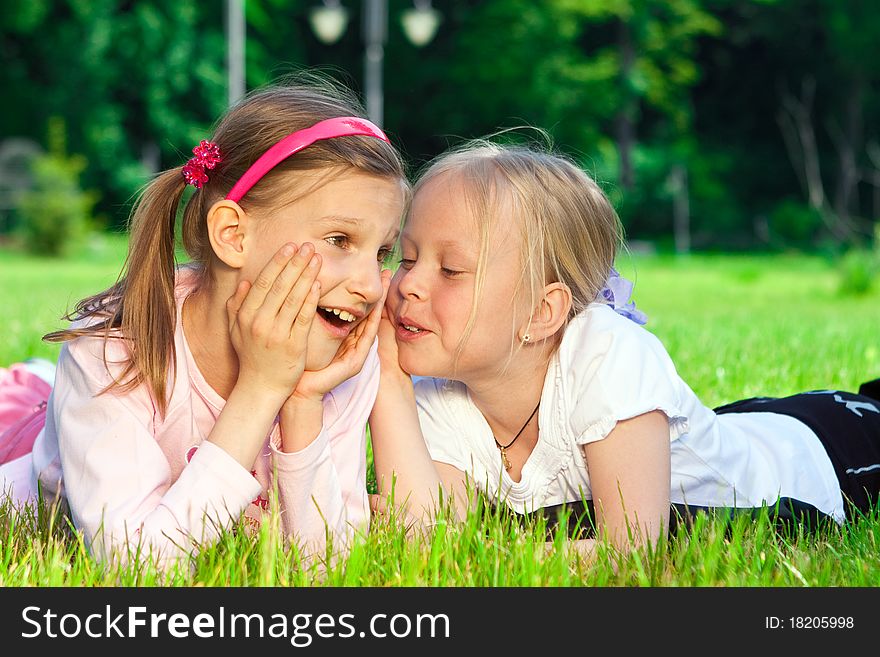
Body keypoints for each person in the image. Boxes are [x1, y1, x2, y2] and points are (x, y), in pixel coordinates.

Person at [368, 137, 880, 559]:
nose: (408, 284)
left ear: (541, 313)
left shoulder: (607, 355)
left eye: (450, 270)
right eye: (408, 259)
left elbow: (634, 555)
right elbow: (427, 542)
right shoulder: (437, 388)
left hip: (824, 459)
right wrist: (388, 379)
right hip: (731, 428)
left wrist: (488, 551)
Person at [0, 76, 408, 568]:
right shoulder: (112, 350)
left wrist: (302, 401)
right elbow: (138, 571)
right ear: (233, 235)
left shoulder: (341, 365)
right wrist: (259, 390)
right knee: (20, 404)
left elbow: (327, 568)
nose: (369, 285)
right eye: (340, 240)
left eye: (383, 252)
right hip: (25, 456)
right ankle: (31, 384)